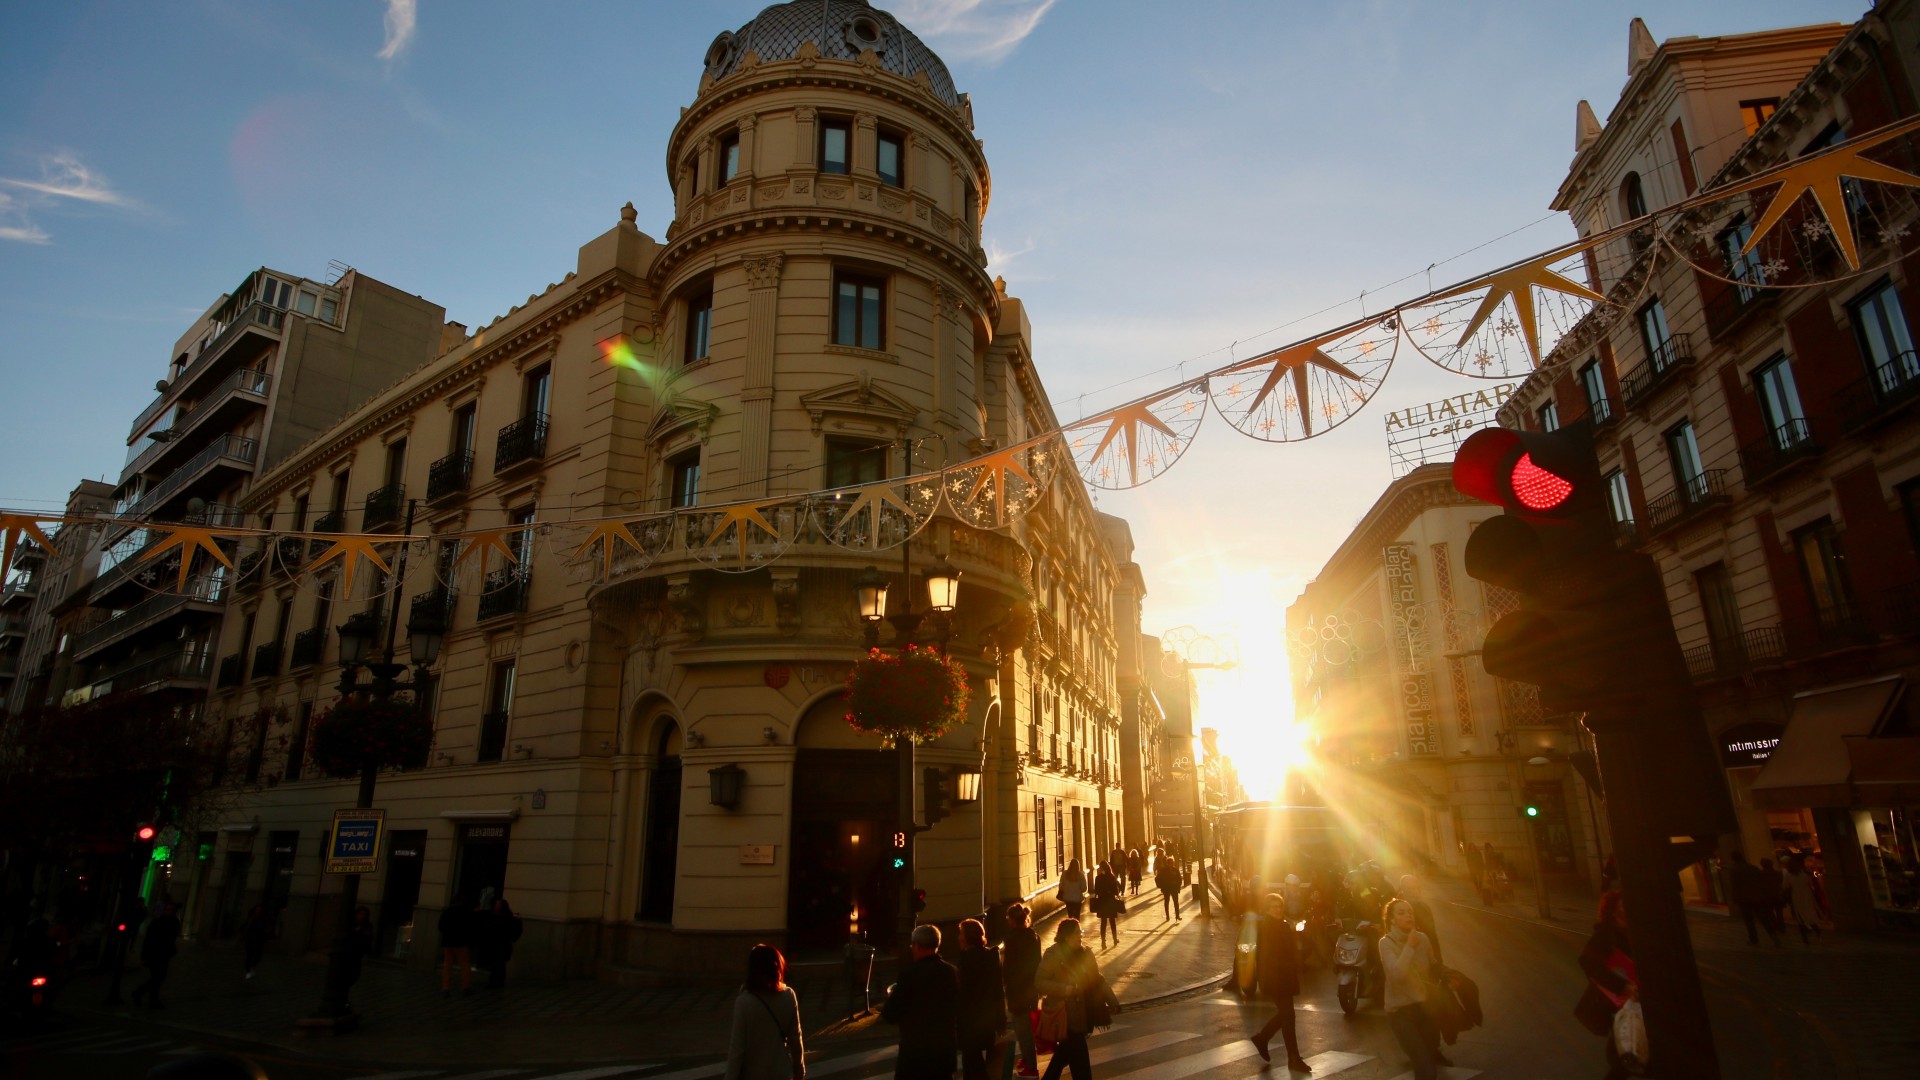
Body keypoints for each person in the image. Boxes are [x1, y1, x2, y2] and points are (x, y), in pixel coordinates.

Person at [1033, 919, 1119, 1080]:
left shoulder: (1086, 952)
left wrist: (1112, 1000)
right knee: (1079, 1056)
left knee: (1064, 1054)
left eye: (1081, 932)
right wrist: (1064, 989)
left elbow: (1097, 979)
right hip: (1066, 1015)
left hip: (1084, 1013)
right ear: (1066, 937)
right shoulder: (1054, 955)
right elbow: (1040, 982)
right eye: (1077, 933)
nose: (1080, 936)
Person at [883, 924, 959, 1080]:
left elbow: (890, 1014)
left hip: (916, 1056)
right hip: (943, 1053)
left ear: (917, 946)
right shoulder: (951, 972)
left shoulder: (910, 975)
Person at [1576, 890, 1638, 1080]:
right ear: (1612, 911)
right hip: (1617, 1004)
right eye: (1622, 905)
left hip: (1639, 1002)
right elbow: (1588, 963)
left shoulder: (1638, 931)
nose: (1627, 909)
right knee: (1623, 1055)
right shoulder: (1605, 934)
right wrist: (1623, 987)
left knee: (1633, 1052)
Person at [1248, 893, 1312, 1073]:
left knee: (1287, 1015)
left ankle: (1262, 1038)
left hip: (1285, 976)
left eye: (1280, 906)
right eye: (1274, 907)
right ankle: (1293, 1058)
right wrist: (1288, 965)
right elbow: (1268, 955)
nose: (1278, 910)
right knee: (1288, 1016)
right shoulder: (1267, 927)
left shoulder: (1283, 925)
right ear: (1267, 909)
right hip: (1275, 977)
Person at [1378, 898, 1440, 1080]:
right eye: (1401, 913)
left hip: (1424, 1009)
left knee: (1429, 1058)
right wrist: (1410, 946)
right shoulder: (1385, 943)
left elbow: (1433, 965)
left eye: (1410, 912)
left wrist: (1448, 976)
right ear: (1391, 919)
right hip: (1400, 1012)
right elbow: (1397, 974)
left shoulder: (1423, 938)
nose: (1408, 916)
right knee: (1424, 1065)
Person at [725, 943, 806, 1080]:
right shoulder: (788, 996)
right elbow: (795, 1039)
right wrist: (799, 1071)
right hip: (781, 1073)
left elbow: (737, 1049)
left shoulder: (744, 1003)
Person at [955, 918, 1007, 1080]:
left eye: (961, 934)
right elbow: (998, 991)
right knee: (980, 1063)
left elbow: (961, 994)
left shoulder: (966, 961)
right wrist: (1001, 1022)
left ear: (967, 937)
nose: (958, 938)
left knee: (972, 1063)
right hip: (988, 1020)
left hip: (970, 1022)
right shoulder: (991, 957)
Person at [1002, 904, 1043, 1079]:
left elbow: (1008, 967)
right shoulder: (1034, 936)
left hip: (1017, 991)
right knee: (1028, 1027)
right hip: (1031, 988)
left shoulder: (1011, 939)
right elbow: (1038, 962)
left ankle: (1031, 1067)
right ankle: (1028, 1061)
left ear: (1012, 920)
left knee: (1023, 1030)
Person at [130, 900, 181, 1008]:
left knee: (159, 977)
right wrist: (144, 956)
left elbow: (171, 938)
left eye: (170, 910)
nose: (168, 912)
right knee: (157, 977)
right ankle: (142, 994)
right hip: (155, 954)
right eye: (167, 910)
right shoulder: (158, 923)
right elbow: (148, 941)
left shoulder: (173, 923)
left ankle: (150, 998)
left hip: (164, 954)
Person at [1728, 851, 1781, 947]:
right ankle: (1773, 936)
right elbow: (1761, 881)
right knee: (1763, 918)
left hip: (1744, 899)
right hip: (1757, 897)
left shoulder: (1734, 870)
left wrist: (1734, 898)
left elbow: (1735, 886)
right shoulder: (1752, 868)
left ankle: (1754, 939)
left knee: (1749, 920)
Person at [478, 896, 524, 989]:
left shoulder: (504, 918)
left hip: (502, 945)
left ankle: (495, 982)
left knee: (498, 964)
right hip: (498, 945)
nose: (495, 906)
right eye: (496, 904)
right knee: (498, 964)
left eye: (498, 904)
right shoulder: (496, 916)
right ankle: (496, 982)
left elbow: (499, 930)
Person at [1396, 875, 1443, 965]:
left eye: (1416, 888)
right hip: (1404, 960)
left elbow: (1432, 937)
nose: (1414, 892)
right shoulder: (1395, 909)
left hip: (1424, 958)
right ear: (1402, 889)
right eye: (1409, 889)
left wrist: (1438, 961)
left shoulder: (1424, 908)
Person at [439, 892, 476, 996]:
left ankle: (446, 988)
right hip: (461, 942)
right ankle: (466, 987)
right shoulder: (465, 911)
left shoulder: (447, 911)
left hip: (448, 942)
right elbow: (470, 927)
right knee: (464, 965)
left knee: (447, 965)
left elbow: (440, 926)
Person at [1783, 856, 1822, 944]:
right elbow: (1810, 884)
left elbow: (1785, 886)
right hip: (1807, 897)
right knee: (1811, 916)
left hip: (1797, 898)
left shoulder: (1788, 876)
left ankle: (1805, 938)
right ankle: (1819, 934)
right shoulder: (1804, 875)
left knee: (1800, 918)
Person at [342, 906, 374, 1009]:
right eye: (360, 914)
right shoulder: (351, 926)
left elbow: (368, 938)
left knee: (354, 974)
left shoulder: (367, 926)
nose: (362, 916)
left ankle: (344, 995)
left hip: (357, 954)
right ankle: (343, 997)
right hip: (349, 953)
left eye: (364, 914)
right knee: (347, 976)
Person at [1090, 862, 1124, 948]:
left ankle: (1103, 942)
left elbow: (1096, 891)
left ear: (1101, 868)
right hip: (1110, 901)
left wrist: (1102, 891)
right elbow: (1116, 890)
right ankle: (1115, 939)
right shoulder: (1112, 877)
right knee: (1112, 922)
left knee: (1103, 922)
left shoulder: (1098, 878)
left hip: (1102, 901)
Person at [239, 903, 272, 980]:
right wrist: (243, 935)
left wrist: (267, 932)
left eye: (259, 910)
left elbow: (267, 928)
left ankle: (252, 967)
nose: (258, 911)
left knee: (258, 955)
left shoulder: (263, 919)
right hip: (251, 939)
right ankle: (248, 972)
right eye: (257, 910)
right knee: (249, 956)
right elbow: (245, 927)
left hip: (259, 940)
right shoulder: (251, 918)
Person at [1154, 852, 1183, 921]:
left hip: (1174, 888)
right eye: (1170, 862)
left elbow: (1179, 878)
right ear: (1168, 863)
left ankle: (1177, 916)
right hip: (1167, 888)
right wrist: (1161, 886)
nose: (1172, 863)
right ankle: (1167, 916)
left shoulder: (1175, 870)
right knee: (1167, 902)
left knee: (1176, 902)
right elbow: (1157, 878)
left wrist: (1178, 884)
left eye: (1172, 862)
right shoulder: (1163, 870)